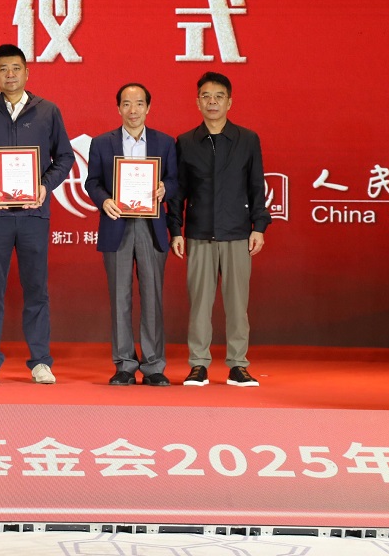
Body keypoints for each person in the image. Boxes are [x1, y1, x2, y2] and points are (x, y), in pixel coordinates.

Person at [0, 45, 74, 384]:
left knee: (36, 288)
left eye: (16, 68)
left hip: (34, 213)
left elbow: (65, 157)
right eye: (3, 68)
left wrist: (45, 186)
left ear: (27, 72)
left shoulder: (47, 111)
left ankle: (40, 361)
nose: (10, 74)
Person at [167, 72, 270, 387]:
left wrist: (259, 227)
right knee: (199, 304)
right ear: (197, 102)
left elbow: (256, 186)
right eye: (206, 96)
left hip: (238, 233)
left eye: (219, 96)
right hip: (199, 234)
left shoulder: (247, 139)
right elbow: (178, 192)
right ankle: (198, 365)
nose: (212, 102)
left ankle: (238, 365)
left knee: (238, 306)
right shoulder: (186, 142)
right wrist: (176, 230)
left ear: (230, 101)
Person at [84, 83, 178, 387]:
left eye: (139, 104)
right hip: (117, 224)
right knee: (119, 297)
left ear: (148, 108)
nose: (133, 110)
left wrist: (164, 189)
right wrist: (104, 200)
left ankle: (153, 366)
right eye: (126, 104)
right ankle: (124, 364)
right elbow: (92, 182)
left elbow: (175, 181)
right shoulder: (102, 143)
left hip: (152, 227)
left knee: (152, 297)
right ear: (118, 108)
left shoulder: (165, 143)